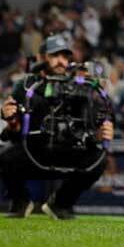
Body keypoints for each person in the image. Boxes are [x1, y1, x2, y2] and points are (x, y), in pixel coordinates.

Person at [0, 34, 114, 219]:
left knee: (98, 160)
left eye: (65, 56)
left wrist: (100, 135)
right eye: (55, 55)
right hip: (35, 151)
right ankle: (20, 201)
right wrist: (11, 122)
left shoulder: (81, 86)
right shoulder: (26, 86)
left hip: (68, 152)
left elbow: (90, 129)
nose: (61, 61)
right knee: (5, 157)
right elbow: (13, 133)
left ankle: (60, 204)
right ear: (42, 57)